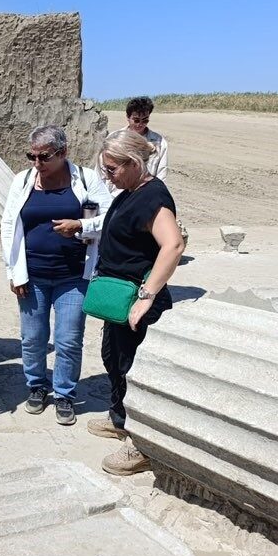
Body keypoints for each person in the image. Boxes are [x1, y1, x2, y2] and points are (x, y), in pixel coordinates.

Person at [87, 129, 184, 475]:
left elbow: (173, 245)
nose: (107, 176)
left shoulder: (152, 196)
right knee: (113, 358)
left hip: (136, 300)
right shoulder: (130, 192)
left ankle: (142, 446)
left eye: (112, 169)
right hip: (119, 298)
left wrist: (146, 297)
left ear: (134, 163)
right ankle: (120, 419)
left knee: (134, 369)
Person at [0, 126, 113, 425]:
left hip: (73, 276)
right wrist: (14, 272)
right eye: (31, 156)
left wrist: (80, 225)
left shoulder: (86, 179)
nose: (36, 163)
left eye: (44, 157)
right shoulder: (22, 180)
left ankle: (65, 393)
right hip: (32, 276)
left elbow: (111, 216)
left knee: (69, 340)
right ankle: (36, 386)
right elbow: (9, 224)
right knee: (33, 338)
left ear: (63, 153)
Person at [125, 96, 168, 181]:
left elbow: (162, 173)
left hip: (146, 190)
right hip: (117, 192)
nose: (140, 124)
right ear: (128, 117)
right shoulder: (115, 139)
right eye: (136, 120)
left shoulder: (160, 142)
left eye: (145, 120)